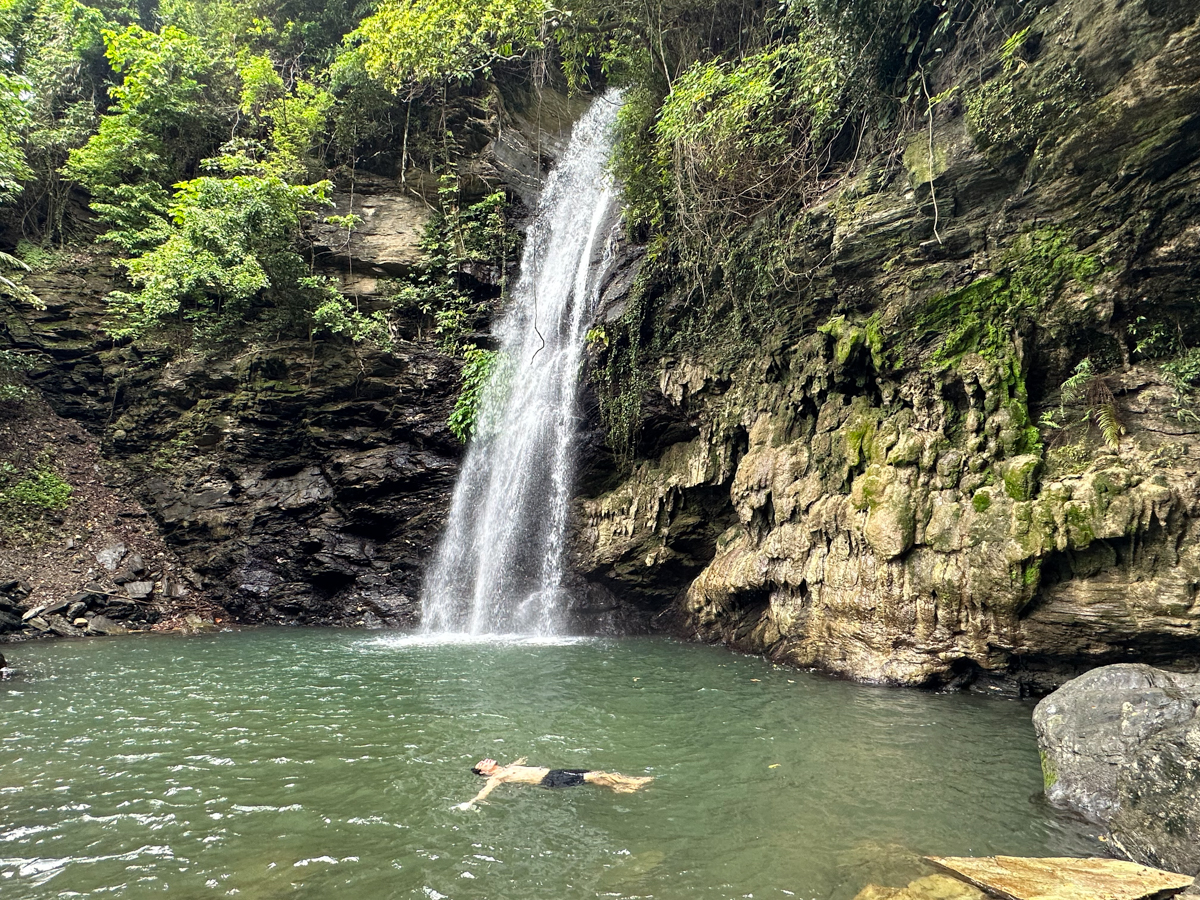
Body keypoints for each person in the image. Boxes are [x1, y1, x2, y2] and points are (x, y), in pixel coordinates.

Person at [455, 757, 653, 810]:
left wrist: (520, 760)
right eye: (482, 764)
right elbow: (485, 791)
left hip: (554, 773)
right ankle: (633, 781)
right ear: (484, 772)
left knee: (596, 778)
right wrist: (470, 803)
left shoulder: (507, 767)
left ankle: (622, 788)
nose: (485, 760)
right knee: (595, 775)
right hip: (551, 780)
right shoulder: (496, 778)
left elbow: (518, 764)